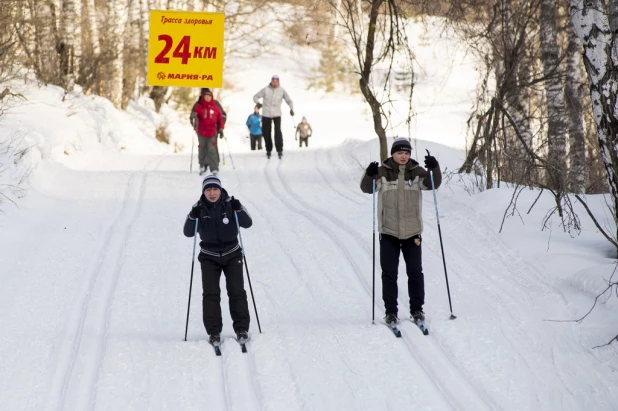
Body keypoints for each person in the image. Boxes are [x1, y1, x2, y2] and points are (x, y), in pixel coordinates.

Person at [360, 137, 441, 327]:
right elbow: (366, 189)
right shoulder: (382, 172)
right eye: (400, 153)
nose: (403, 156)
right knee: (389, 274)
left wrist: (434, 167)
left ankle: (417, 310)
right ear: (392, 154)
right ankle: (391, 312)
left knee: (415, 273)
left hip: (412, 232)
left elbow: (433, 184)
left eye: (406, 153)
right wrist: (369, 174)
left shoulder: (417, 172)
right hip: (388, 232)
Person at [183, 175, 253, 345]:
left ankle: (241, 328)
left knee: (237, 291)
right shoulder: (198, 208)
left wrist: (239, 209)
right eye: (208, 190)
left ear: (220, 190)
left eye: (215, 189)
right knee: (211, 295)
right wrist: (193, 216)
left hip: (232, 254)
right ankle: (214, 332)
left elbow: (248, 223)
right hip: (209, 257)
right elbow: (188, 232)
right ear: (204, 192)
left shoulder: (230, 204)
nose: (212, 193)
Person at [253, 74, 294, 159]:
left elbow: (289, 100)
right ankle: (268, 149)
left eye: (276, 82)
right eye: (273, 81)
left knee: (277, 132)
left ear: (279, 82)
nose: (275, 83)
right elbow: (255, 96)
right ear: (271, 81)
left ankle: (279, 149)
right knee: (266, 132)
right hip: (266, 114)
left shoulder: (282, 90)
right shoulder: (266, 89)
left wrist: (291, 109)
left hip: (277, 114)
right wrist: (258, 103)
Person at [194, 90, 224, 175]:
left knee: (212, 149)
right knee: (202, 149)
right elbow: (195, 116)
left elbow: (219, 120)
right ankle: (202, 165)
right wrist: (194, 117)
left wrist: (221, 129)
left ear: (211, 97)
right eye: (206, 97)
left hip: (212, 132)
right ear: (203, 97)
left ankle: (214, 167)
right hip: (201, 132)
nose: (207, 98)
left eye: (209, 96)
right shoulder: (199, 107)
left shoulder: (216, 108)